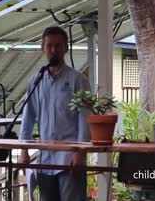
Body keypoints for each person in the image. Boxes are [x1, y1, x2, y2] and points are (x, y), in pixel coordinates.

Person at [18, 26, 91, 201]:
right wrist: (23, 151)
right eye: (49, 45)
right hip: (45, 160)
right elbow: (28, 118)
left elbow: (85, 119)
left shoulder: (78, 80)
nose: (53, 50)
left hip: (69, 160)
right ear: (43, 48)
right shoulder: (36, 81)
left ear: (66, 49)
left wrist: (80, 153)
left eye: (58, 46)